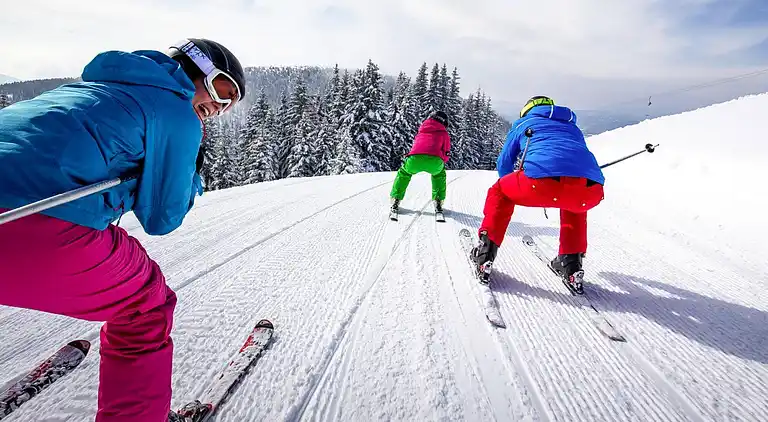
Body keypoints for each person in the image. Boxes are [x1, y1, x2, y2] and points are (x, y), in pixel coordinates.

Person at [0, 38, 246, 421]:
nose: (218, 107)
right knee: (146, 305)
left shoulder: (88, 88)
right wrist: (191, 176)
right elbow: (163, 218)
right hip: (33, 222)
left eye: (229, 105)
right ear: (193, 67)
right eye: (220, 89)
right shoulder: (178, 112)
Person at [470, 96, 605, 292]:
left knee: (499, 190)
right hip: (591, 190)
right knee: (574, 201)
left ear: (527, 110)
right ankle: (571, 264)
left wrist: (518, 188)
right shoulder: (573, 127)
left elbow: (504, 164)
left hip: (540, 182)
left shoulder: (524, 123)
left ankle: (485, 254)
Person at [389, 110, 451, 215]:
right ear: (444, 123)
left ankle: (395, 199)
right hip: (435, 161)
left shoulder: (422, 130)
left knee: (404, 173)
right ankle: (438, 202)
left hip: (414, 159)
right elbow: (446, 152)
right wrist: (442, 161)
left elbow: (417, 146)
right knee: (439, 175)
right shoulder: (444, 133)